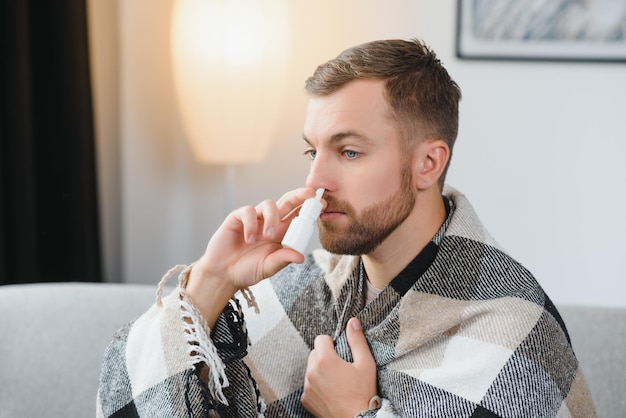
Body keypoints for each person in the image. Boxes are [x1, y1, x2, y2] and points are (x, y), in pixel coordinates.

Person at [97, 39, 596, 417]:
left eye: (349, 151)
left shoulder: (509, 326)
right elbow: (122, 403)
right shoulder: (311, 283)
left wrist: (354, 414)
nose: (315, 183)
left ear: (428, 163)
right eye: (312, 152)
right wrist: (212, 280)